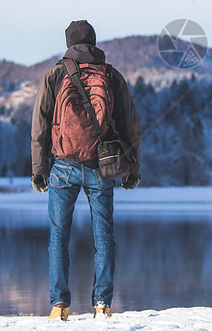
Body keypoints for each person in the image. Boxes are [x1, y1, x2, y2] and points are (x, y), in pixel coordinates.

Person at [30, 20, 141, 321]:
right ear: (93, 41)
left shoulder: (54, 74)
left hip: (62, 166)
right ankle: (102, 304)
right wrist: (132, 169)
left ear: (68, 43)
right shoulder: (110, 75)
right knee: (103, 237)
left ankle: (58, 305)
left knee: (58, 238)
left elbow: (40, 125)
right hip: (101, 166)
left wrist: (39, 169)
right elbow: (130, 124)